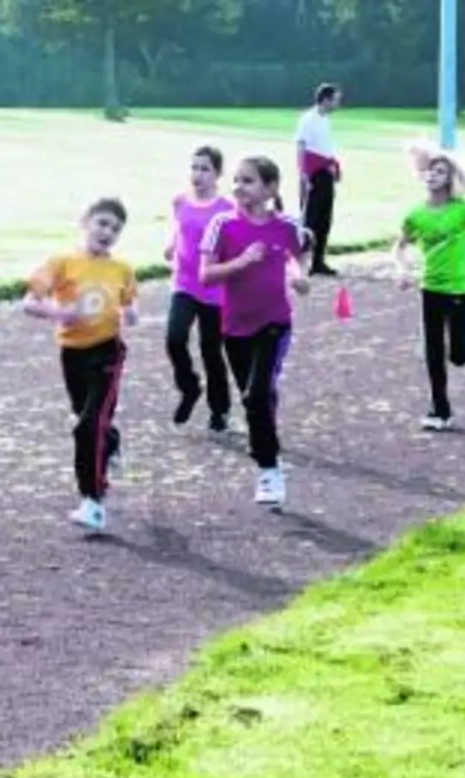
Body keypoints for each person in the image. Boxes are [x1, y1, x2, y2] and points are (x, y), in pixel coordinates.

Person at [21, 197, 140, 532]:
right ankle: (110, 441)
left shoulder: (122, 269)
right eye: (102, 223)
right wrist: (61, 313)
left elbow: (130, 305)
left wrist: (130, 315)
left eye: (115, 229)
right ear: (85, 222)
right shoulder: (62, 263)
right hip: (72, 353)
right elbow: (29, 303)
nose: (107, 232)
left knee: (87, 426)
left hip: (108, 351)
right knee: (88, 417)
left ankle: (93, 501)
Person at [200, 157, 312, 508]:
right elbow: (206, 275)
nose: (238, 187)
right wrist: (243, 261)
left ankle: (269, 471)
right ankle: (265, 425)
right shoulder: (223, 224)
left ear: (270, 188)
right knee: (253, 400)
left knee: (258, 394)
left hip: (275, 323)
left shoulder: (286, 225)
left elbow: (301, 253)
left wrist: (300, 275)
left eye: (248, 181)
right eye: (236, 180)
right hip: (235, 328)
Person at [393, 142, 465, 432]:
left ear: (449, 179)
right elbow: (399, 246)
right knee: (433, 351)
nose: (433, 175)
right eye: (431, 171)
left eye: (440, 171)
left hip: (458, 289)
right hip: (430, 288)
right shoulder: (416, 215)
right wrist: (403, 269)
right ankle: (440, 410)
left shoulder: (462, 210)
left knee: (459, 356)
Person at [164, 145, 236, 433]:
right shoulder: (180, 201)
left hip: (214, 289)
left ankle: (219, 409)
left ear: (217, 174)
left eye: (205, 169)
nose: (198, 174)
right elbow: (180, 228)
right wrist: (171, 246)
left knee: (211, 351)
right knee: (174, 339)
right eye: (194, 167)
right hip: (184, 283)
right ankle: (190, 387)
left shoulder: (227, 209)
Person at [295, 82, 343, 277]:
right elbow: (301, 147)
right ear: (325, 100)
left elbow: (324, 148)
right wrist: (303, 174)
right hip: (314, 173)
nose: (338, 104)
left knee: (324, 219)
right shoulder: (308, 119)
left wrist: (334, 165)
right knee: (310, 219)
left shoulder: (325, 120)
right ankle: (301, 262)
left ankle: (318, 262)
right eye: (335, 100)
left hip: (326, 173)